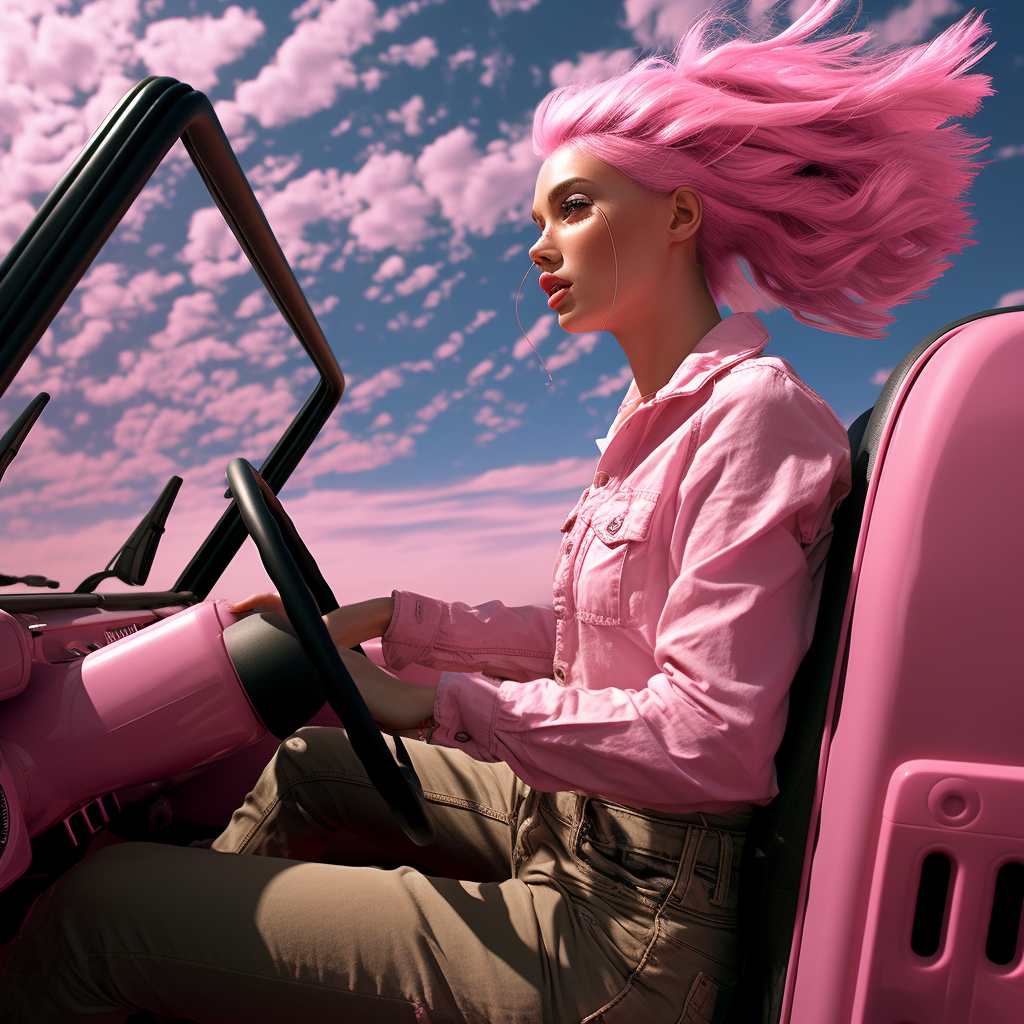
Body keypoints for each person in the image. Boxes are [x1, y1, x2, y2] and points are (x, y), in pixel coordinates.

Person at [0, 1, 992, 1021]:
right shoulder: (647, 427)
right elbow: (596, 641)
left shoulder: (754, 418)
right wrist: (402, 620)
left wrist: (434, 700)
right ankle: (196, 969)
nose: (538, 246)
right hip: (578, 826)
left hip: (635, 926)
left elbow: (712, 736)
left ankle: (143, 956)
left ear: (680, 216)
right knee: (302, 764)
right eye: (536, 221)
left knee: (92, 908)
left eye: (572, 207)